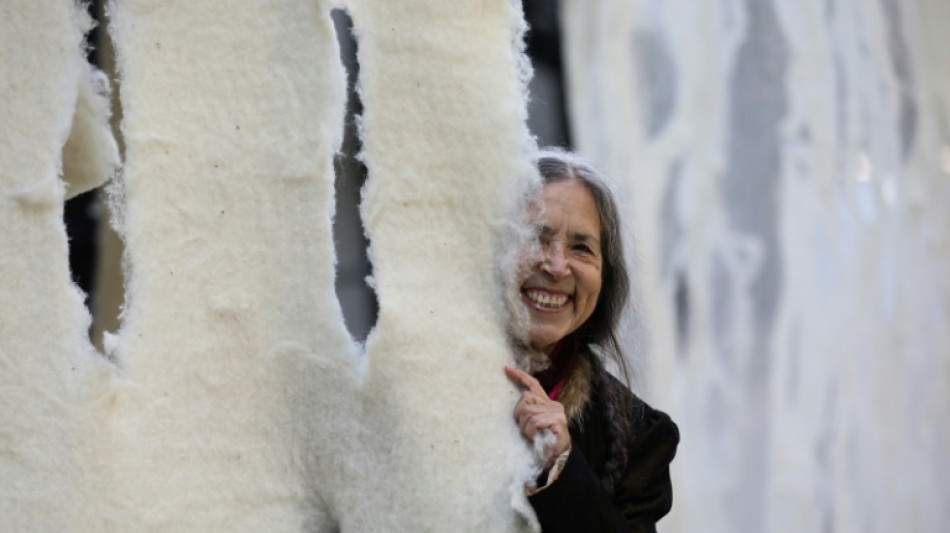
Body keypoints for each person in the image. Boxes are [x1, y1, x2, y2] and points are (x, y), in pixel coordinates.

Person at [504, 150, 679, 532]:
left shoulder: (643, 438)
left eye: (581, 248)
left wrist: (560, 466)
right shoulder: (421, 379)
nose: (555, 266)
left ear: (605, 278)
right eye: (537, 237)